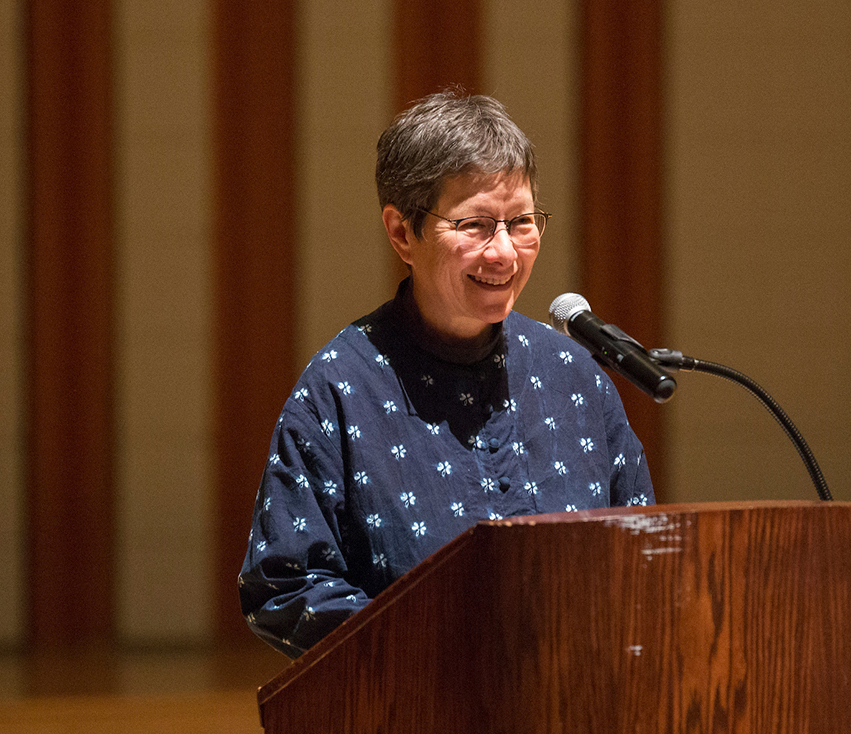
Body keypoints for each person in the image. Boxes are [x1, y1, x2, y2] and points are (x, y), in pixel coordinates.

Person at [239, 90, 654, 658]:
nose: (504, 253)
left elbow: (646, 565)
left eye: (523, 222)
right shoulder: (339, 388)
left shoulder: (573, 375)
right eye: (476, 225)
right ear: (402, 233)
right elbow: (284, 588)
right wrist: (440, 646)